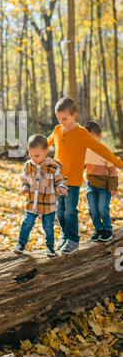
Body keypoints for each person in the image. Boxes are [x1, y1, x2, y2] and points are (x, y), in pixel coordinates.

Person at [48, 97, 123, 255]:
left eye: (64, 119)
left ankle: (73, 240)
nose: (61, 122)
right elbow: (45, 144)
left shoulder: (81, 133)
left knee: (70, 210)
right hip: (57, 179)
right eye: (58, 118)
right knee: (59, 211)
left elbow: (100, 148)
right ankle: (64, 236)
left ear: (74, 115)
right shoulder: (57, 130)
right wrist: (34, 151)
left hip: (73, 180)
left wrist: (117, 162)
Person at [14, 134, 68, 258]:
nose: (34, 158)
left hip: (48, 204)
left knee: (48, 226)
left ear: (46, 151)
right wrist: (25, 187)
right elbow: (25, 180)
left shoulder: (53, 166)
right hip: (32, 202)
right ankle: (21, 244)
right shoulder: (28, 165)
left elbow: (60, 180)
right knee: (27, 222)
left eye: (37, 156)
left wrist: (61, 187)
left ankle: (50, 247)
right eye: (31, 155)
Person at [84, 121, 118, 243]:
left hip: (104, 185)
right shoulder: (84, 151)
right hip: (90, 184)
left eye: (91, 138)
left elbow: (113, 170)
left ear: (99, 136)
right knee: (92, 209)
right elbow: (79, 166)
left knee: (102, 208)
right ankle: (98, 229)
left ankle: (107, 229)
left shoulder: (105, 151)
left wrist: (113, 187)